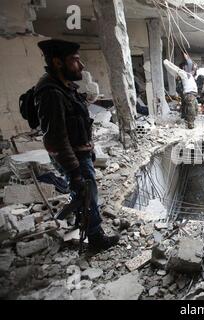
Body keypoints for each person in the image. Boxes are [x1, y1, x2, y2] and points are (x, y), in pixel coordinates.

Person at [35, 39, 119, 253]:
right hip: (74, 158)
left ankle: (85, 223)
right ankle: (95, 238)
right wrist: (74, 170)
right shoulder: (51, 92)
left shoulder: (65, 88)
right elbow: (56, 138)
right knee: (86, 193)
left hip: (81, 153)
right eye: (75, 60)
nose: (81, 66)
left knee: (83, 194)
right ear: (58, 62)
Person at [164, 53, 198, 129]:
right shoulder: (184, 74)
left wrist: (189, 60)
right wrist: (187, 59)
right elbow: (188, 64)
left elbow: (193, 66)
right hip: (189, 94)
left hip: (191, 94)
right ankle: (190, 124)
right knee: (191, 110)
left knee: (193, 109)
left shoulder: (189, 75)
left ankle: (188, 121)